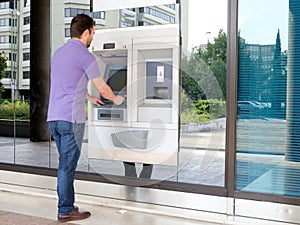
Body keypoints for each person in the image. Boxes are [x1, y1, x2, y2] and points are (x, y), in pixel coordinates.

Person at [47, 13, 124, 222]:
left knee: (64, 164)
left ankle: (67, 205)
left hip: (54, 118)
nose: (93, 38)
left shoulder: (59, 53)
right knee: (67, 166)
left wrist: (88, 97)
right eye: (93, 33)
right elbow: (104, 88)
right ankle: (65, 210)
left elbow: (67, 84)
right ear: (86, 32)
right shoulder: (85, 55)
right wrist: (118, 100)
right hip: (71, 120)